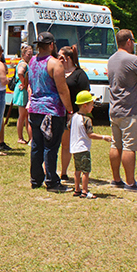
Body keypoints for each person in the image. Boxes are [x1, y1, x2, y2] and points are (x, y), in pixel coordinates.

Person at [107, 29, 137, 192]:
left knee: (115, 144)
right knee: (129, 147)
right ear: (128, 41)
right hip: (130, 109)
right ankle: (131, 183)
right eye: (133, 40)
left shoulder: (111, 59)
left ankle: (116, 179)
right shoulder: (133, 59)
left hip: (114, 108)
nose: (133, 44)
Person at [27, 32, 72, 192]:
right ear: (52, 45)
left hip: (35, 109)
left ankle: (35, 178)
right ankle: (52, 181)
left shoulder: (32, 61)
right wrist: (69, 109)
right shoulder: (55, 64)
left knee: (37, 145)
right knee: (51, 146)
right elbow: (62, 90)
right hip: (52, 110)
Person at [69, 90, 113, 199]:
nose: (92, 107)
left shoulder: (74, 117)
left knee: (77, 170)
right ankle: (84, 191)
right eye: (91, 105)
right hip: (83, 148)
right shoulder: (87, 120)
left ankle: (77, 189)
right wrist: (104, 137)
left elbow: (69, 127)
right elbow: (90, 134)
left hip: (74, 148)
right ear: (85, 105)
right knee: (86, 171)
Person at [59, 45, 90, 182]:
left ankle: (68, 173)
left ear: (68, 58)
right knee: (60, 144)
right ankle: (61, 172)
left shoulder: (79, 74)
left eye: (61, 56)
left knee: (70, 145)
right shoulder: (57, 72)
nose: (58, 59)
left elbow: (86, 94)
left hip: (74, 115)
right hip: (58, 112)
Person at [13, 44, 32, 144]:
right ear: (23, 54)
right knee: (23, 115)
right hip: (22, 91)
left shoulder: (25, 63)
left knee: (25, 116)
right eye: (28, 54)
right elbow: (20, 73)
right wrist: (24, 83)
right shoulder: (23, 64)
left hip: (23, 90)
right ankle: (20, 137)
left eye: (31, 54)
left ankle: (27, 137)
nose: (30, 56)